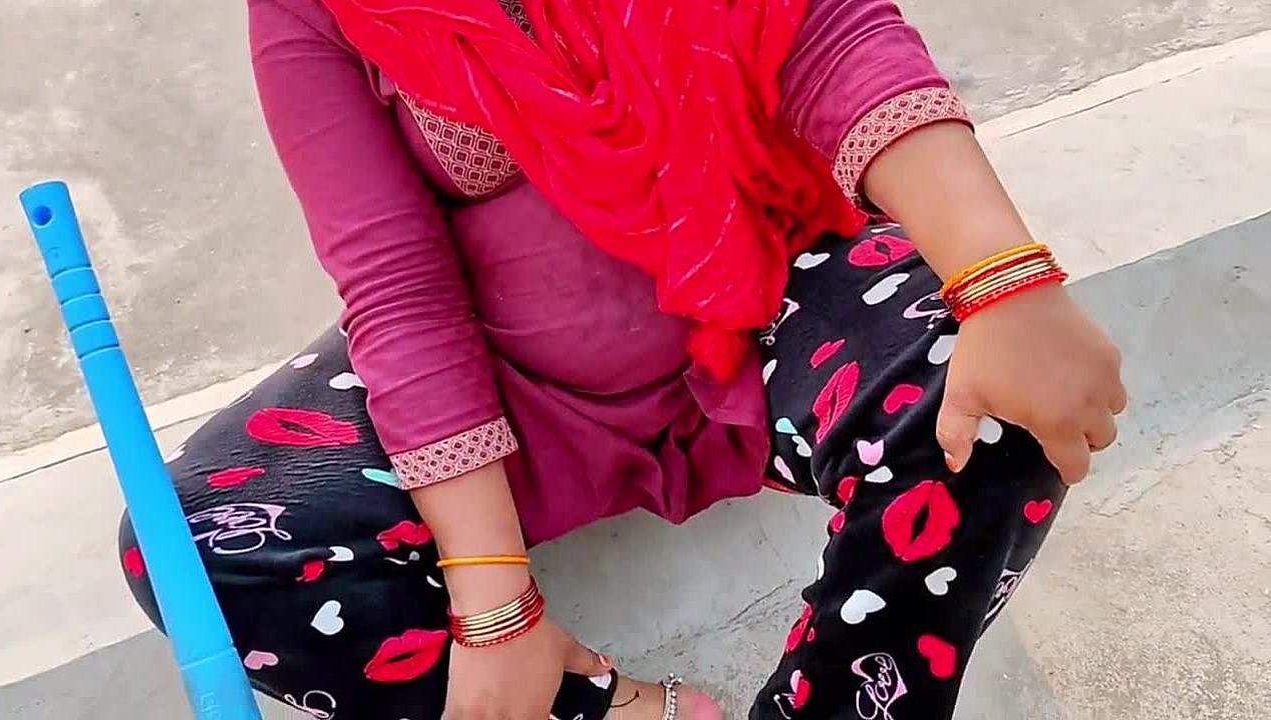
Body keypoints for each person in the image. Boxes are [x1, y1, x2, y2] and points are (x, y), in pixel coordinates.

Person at [118, 0, 1126, 718]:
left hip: (765, 298)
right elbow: (396, 282)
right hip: (512, 390)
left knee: (994, 411)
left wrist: (1002, 280)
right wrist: (495, 603)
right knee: (191, 545)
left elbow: (823, 33)